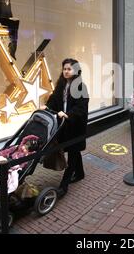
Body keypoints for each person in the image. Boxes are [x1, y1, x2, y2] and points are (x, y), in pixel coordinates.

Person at [46, 58, 89, 198]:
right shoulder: (61, 85)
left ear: (75, 70)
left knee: (72, 152)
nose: (66, 71)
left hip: (75, 126)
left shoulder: (81, 87)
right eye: (64, 69)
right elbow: (54, 99)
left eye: (69, 69)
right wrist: (46, 107)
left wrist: (68, 114)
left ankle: (63, 187)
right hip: (64, 126)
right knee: (73, 150)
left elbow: (81, 107)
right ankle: (80, 173)